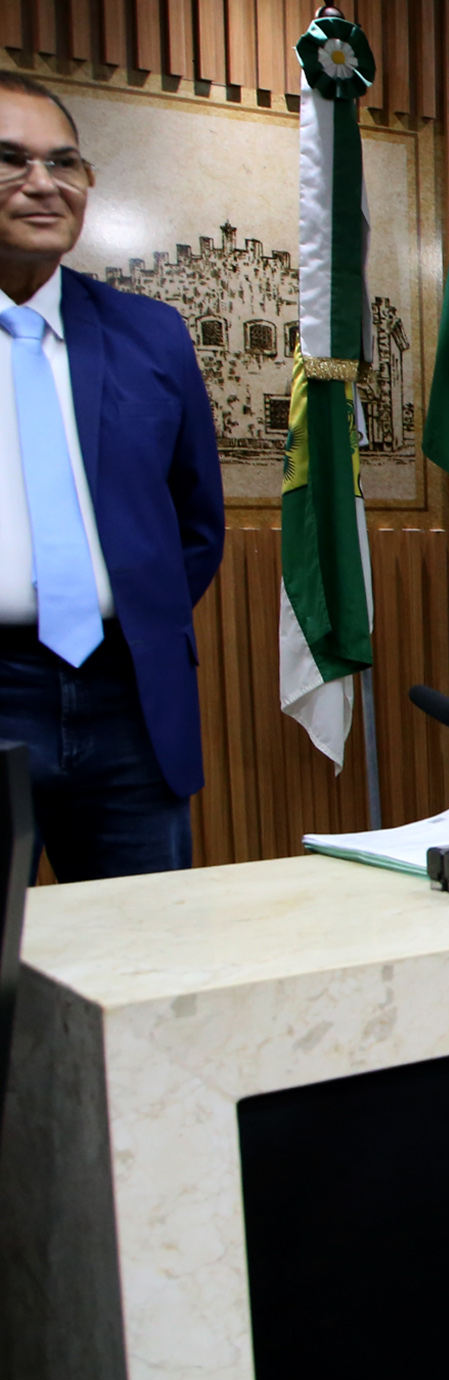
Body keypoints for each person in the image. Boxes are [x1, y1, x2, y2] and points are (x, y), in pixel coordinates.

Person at [0, 74, 224, 879]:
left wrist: (142, 617)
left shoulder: (150, 334)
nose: (43, 183)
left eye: (63, 162)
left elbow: (195, 522)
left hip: (127, 693)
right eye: (10, 160)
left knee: (147, 941)